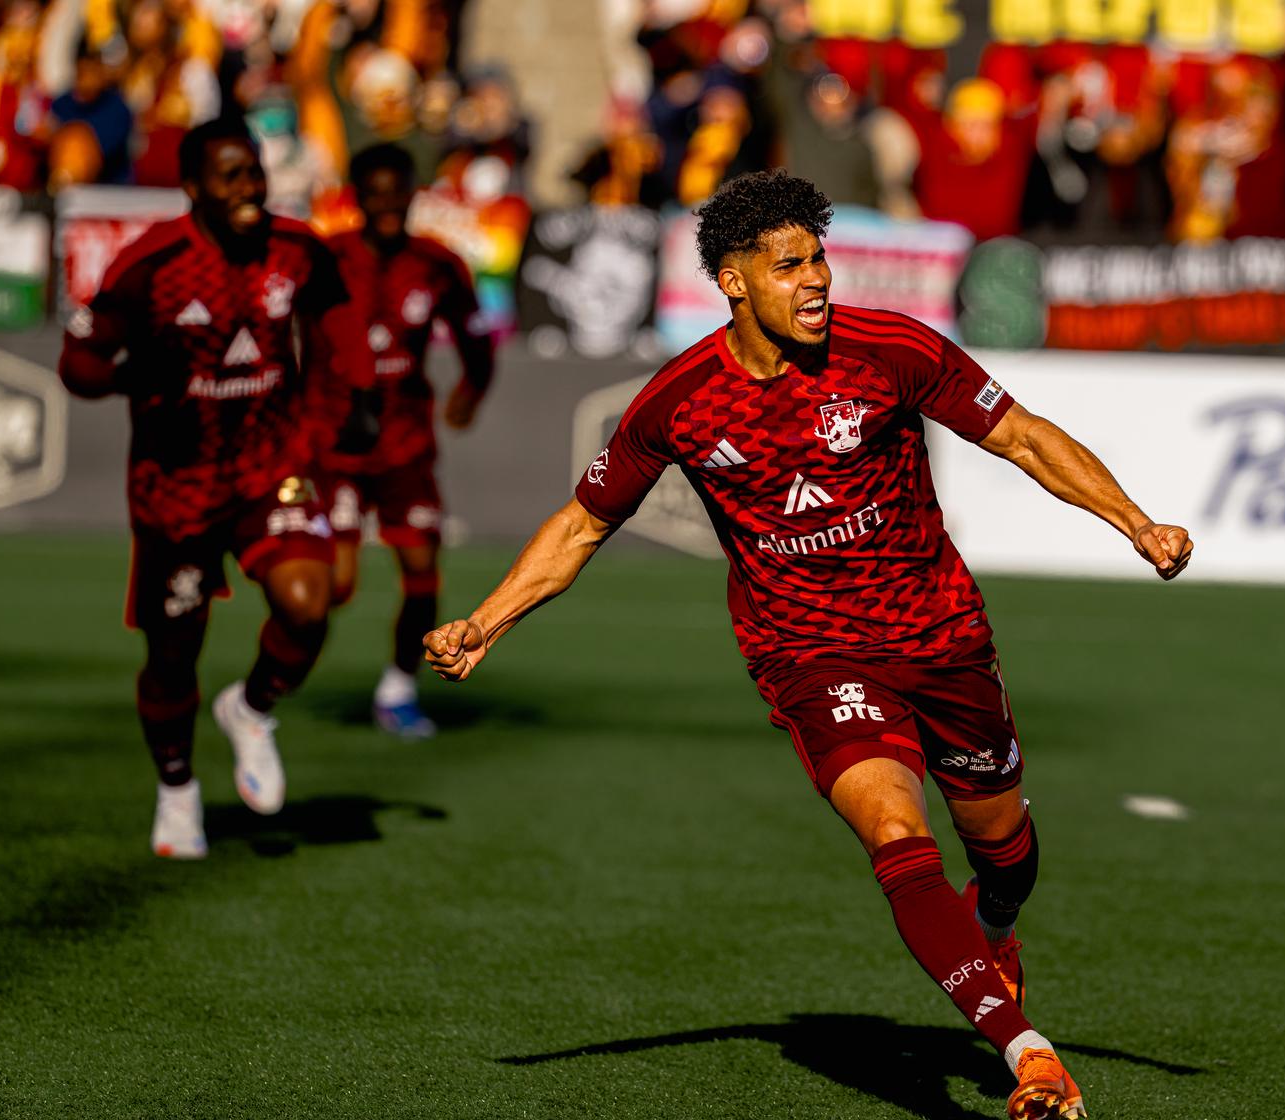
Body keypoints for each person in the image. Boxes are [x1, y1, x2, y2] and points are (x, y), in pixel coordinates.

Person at [422, 170, 1193, 1120]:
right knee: (897, 833)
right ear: (735, 282)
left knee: (1003, 853)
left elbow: (1024, 438)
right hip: (812, 653)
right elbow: (581, 526)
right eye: (790, 265)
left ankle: (995, 930)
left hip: (941, 633)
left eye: (820, 258)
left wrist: (1137, 523)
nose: (816, 279)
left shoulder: (892, 350)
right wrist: (484, 622)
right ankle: (1026, 1054)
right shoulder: (679, 402)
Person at [58, 116, 371, 859]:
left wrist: (349, 397)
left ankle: (252, 708)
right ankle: (176, 791)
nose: (249, 189)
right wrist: (134, 373)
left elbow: (336, 318)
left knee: (309, 604)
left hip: (272, 464)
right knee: (173, 656)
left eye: (255, 171)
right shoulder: (149, 264)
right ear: (193, 186)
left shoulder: (296, 249)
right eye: (231, 176)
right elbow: (80, 364)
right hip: (178, 485)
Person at [323, 142, 494, 739]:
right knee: (335, 587)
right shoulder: (328, 260)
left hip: (405, 444)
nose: (389, 204)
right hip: (336, 445)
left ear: (413, 195)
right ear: (358, 198)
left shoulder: (437, 264)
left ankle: (397, 690)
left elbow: (476, 338)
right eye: (376, 193)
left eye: (399, 192)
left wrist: (472, 388)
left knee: (423, 572)